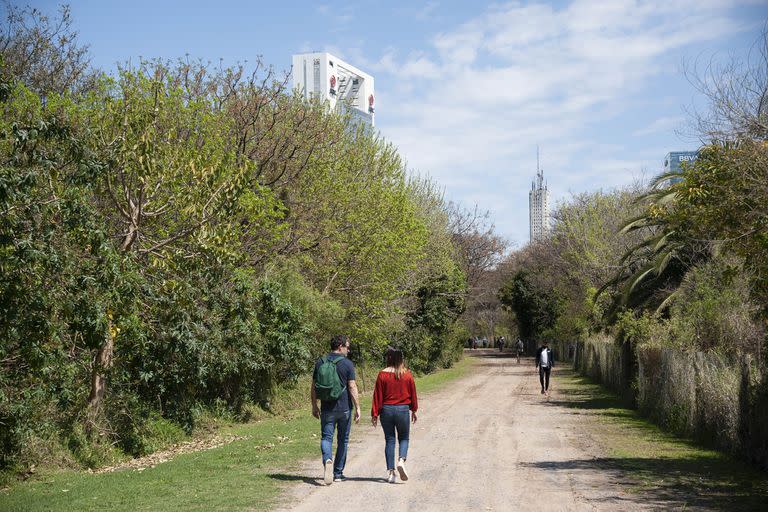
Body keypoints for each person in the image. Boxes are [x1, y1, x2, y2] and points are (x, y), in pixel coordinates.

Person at [311, 335, 361, 485]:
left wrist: (314, 405)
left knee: (326, 438)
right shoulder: (347, 364)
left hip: (327, 408)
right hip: (344, 408)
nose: (348, 349)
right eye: (347, 346)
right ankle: (338, 473)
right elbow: (352, 386)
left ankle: (327, 459)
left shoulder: (320, 362)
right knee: (343, 440)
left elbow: (313, 386)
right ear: (340, 346)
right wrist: (358, 407)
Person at [371, 347, 418, 484]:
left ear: (388, 358)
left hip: (386, 410)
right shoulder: (407, 374)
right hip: (403, 410)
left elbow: (377, 396)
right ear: (401, 359)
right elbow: (413, 393)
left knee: (390, 440)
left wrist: (375, 413)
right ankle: (401, 460)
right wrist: (414, 410)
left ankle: (391, 473)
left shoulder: (382, 375)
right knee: (404, 438)